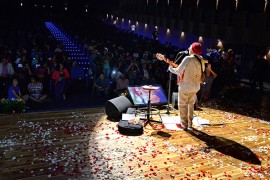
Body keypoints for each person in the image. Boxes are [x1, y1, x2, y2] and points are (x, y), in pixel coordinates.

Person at [168, 42, 203, 131]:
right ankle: (190, 124)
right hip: (195, 86)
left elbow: (178, 71)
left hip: (186, 86)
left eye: (190, 47)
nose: (189, 48)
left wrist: (170, 68)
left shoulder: (188, 58)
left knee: (182, 105)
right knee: (191, 104)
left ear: (193, 49)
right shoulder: (201, 59)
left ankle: (184, 124)